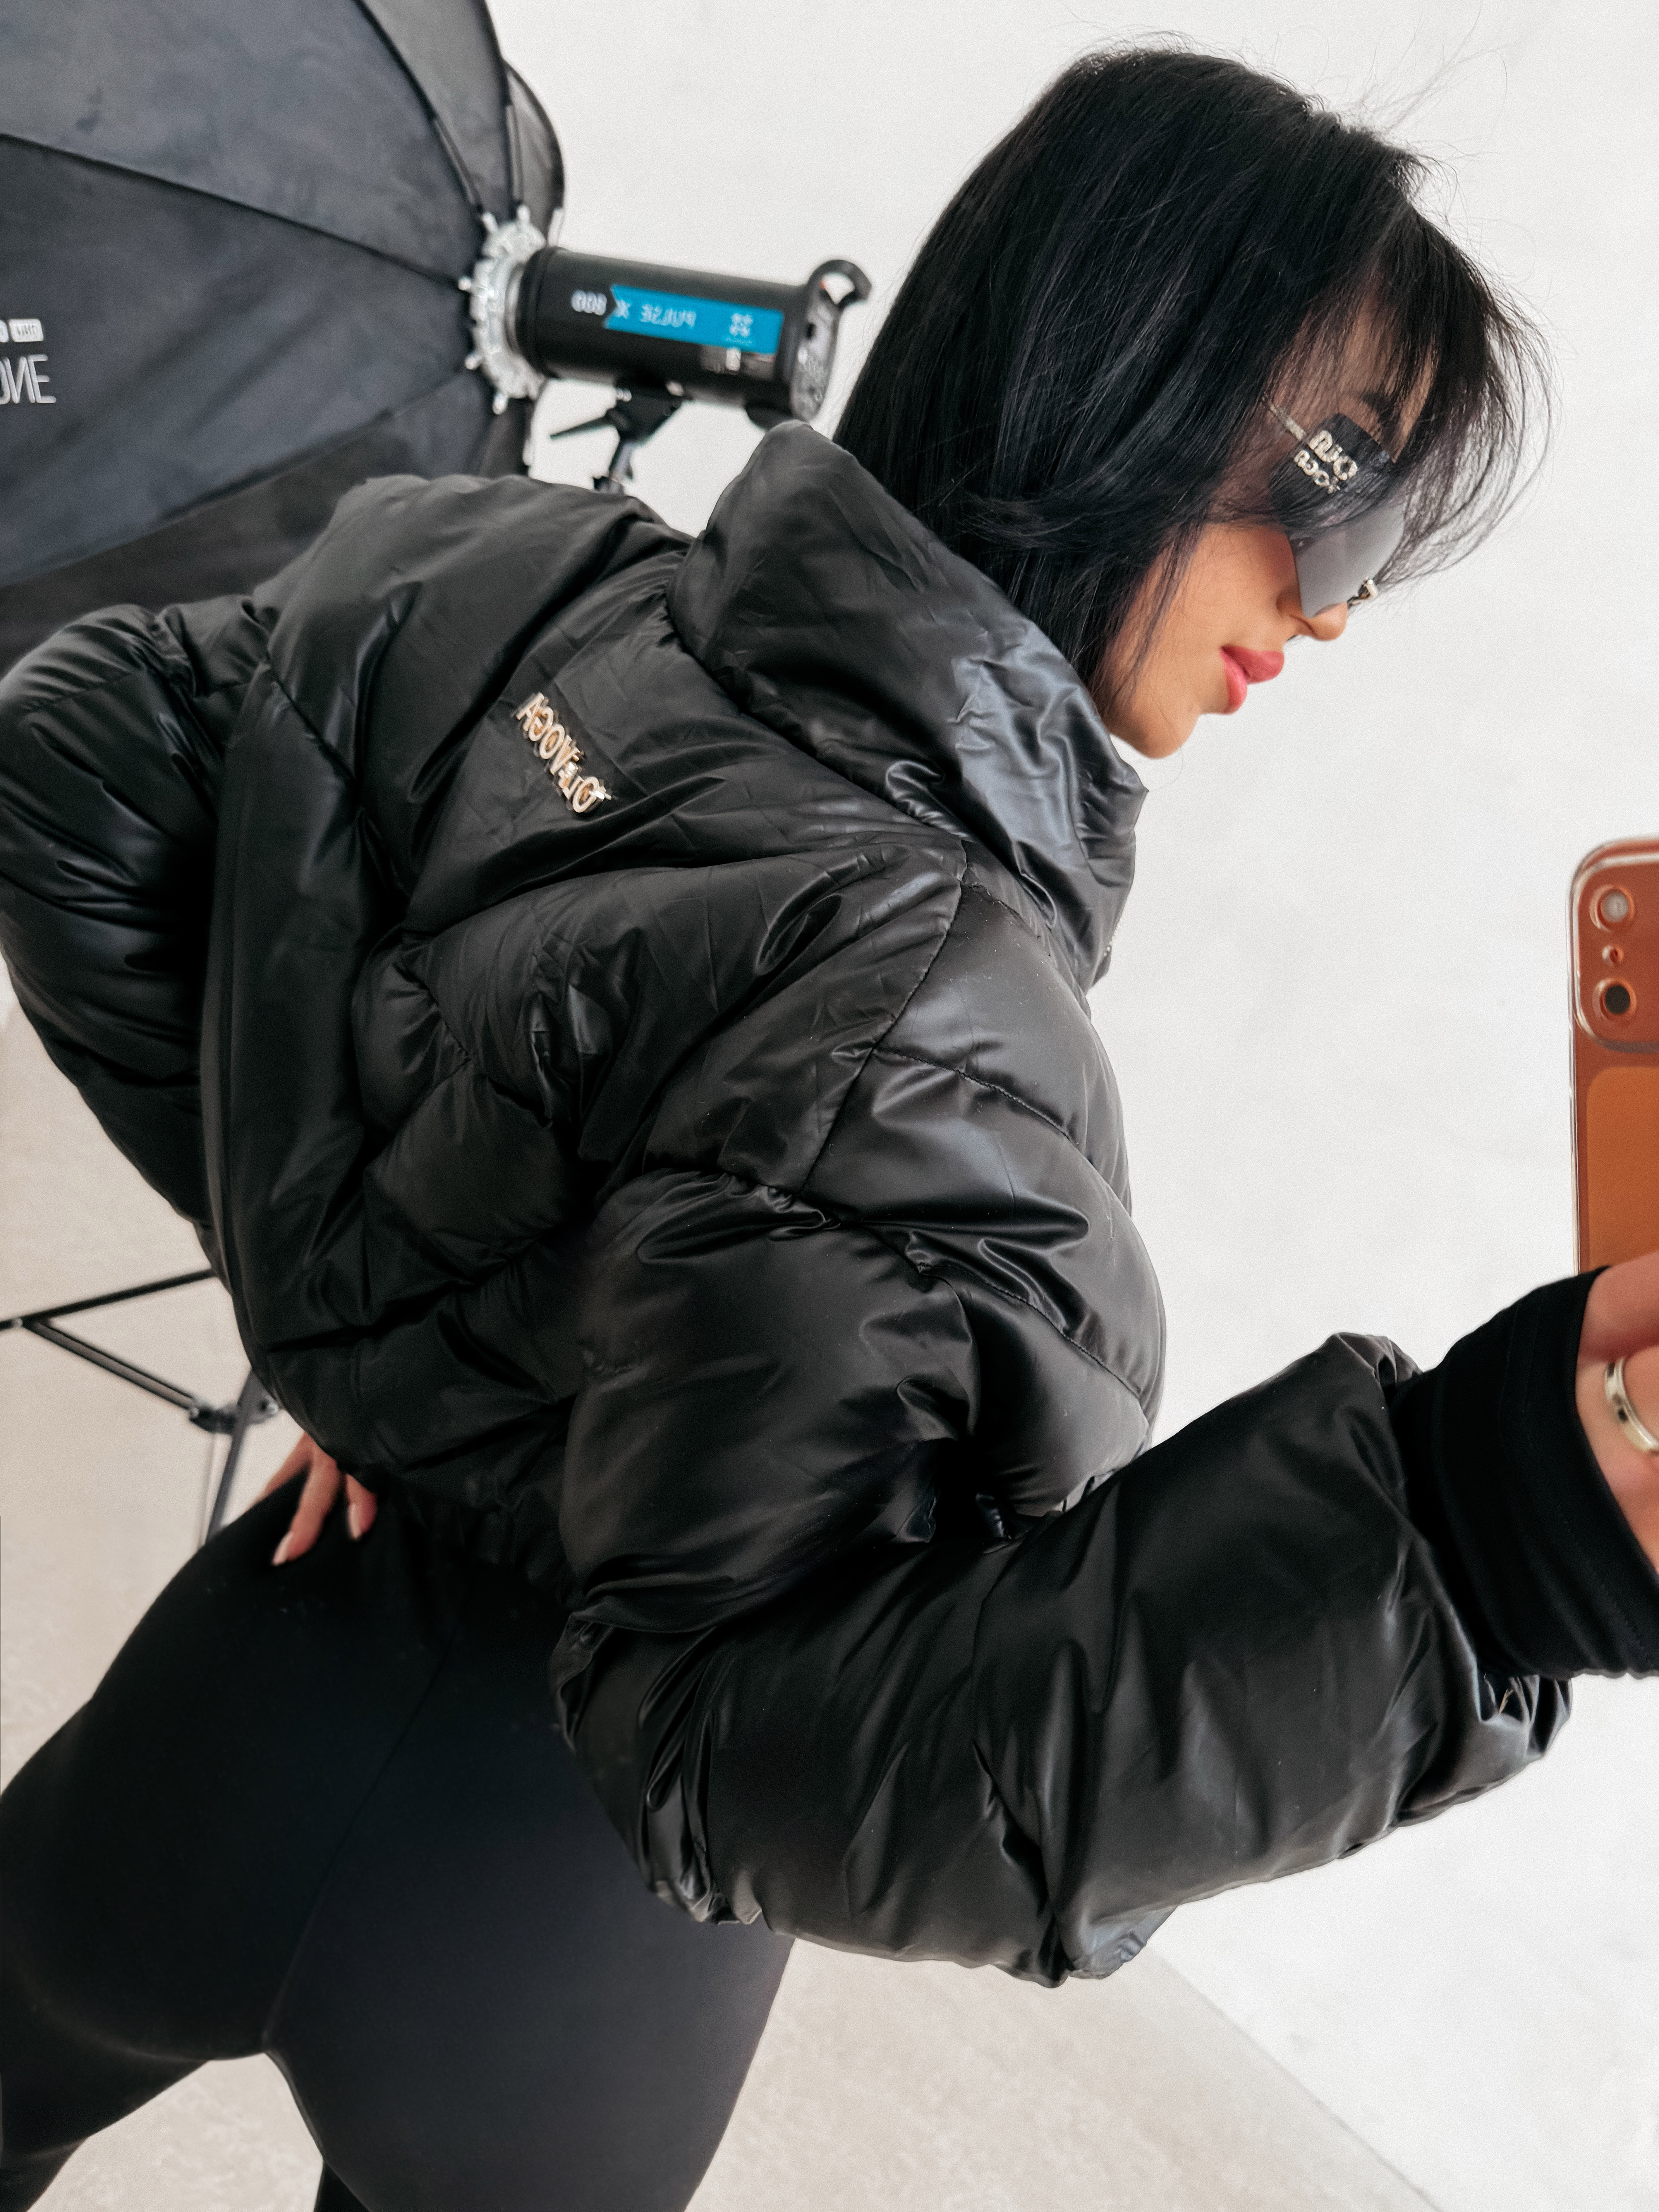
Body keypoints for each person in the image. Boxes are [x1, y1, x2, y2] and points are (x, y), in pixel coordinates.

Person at [3, 41, 1657, 2212]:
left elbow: (80, 764)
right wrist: (1498, 1544)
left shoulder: (498, 566)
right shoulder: (941, 1008)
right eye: (1329, 505)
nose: (1330, 606)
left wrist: (375, 1329)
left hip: (244, 1695)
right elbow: (768, 1741)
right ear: (1120, 391)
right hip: (555, 1950)